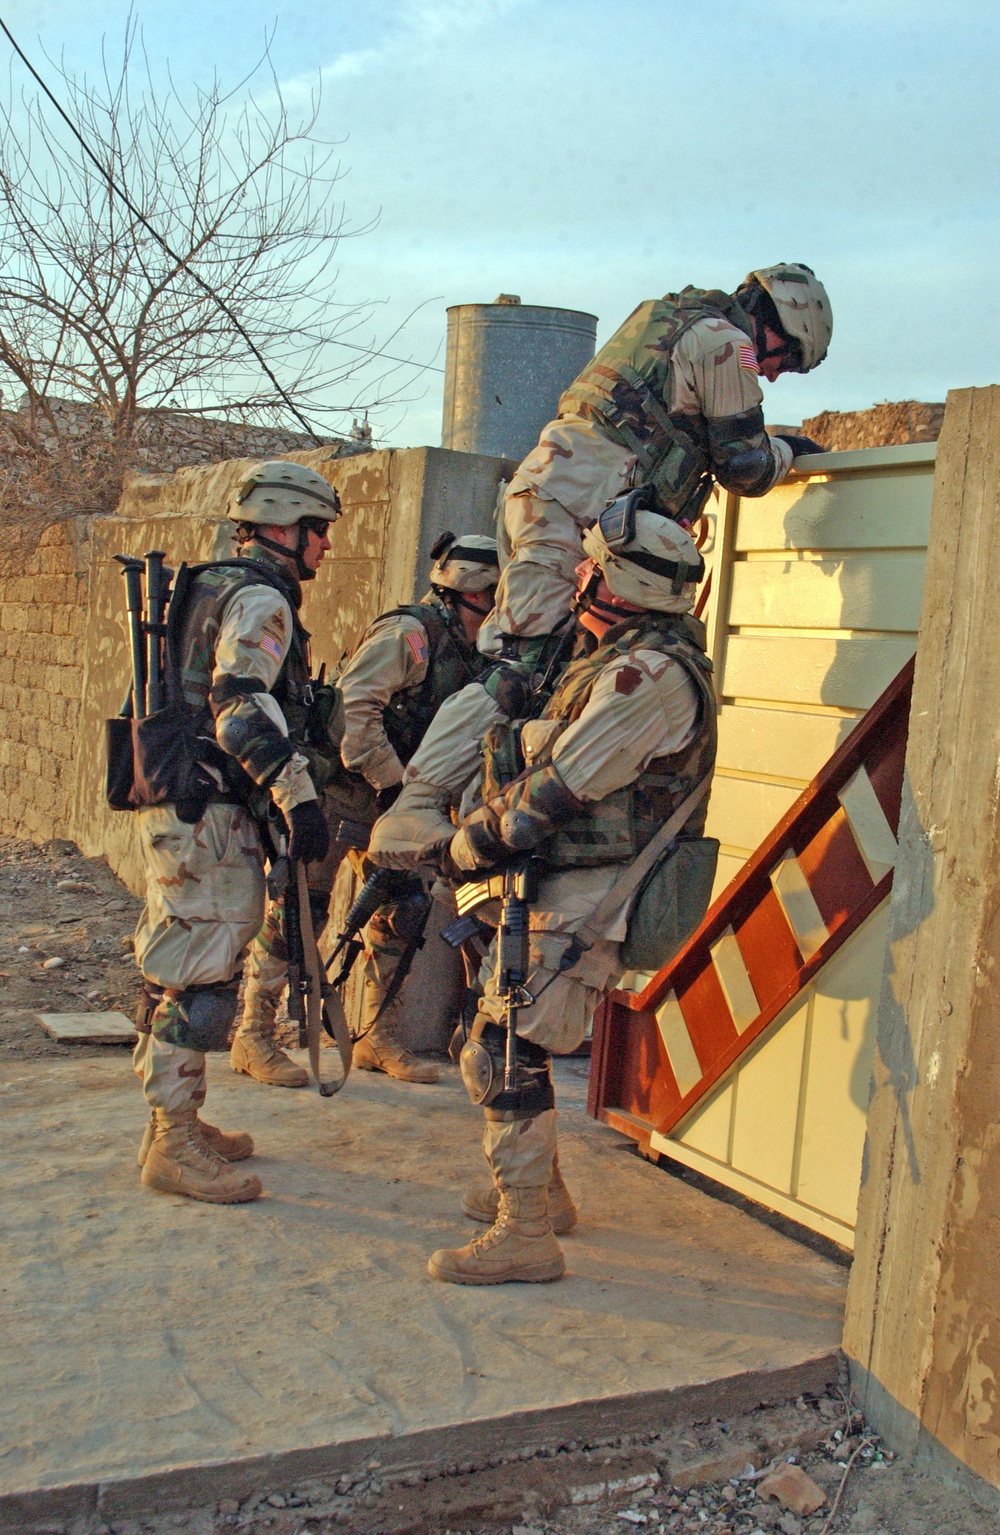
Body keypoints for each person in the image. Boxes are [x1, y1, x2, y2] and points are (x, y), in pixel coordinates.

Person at [405, 509, 719, 1284]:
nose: (579, 575)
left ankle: (526, 1232)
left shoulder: (648, 676)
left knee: (507, 1051)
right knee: (507, 1039)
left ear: (621, 581)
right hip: (558, 886)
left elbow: (562, 784)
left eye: (592, 566)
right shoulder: (606, 657)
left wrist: (461, 845)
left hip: (592, 898)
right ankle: (543, 1193)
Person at [132, 460, 339, 1203]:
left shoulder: (216, 583)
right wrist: (297, 795)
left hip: (188, 805)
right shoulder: (260, 598)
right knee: (203, 982)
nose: (324, 549)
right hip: (211, 812)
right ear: (286, 525)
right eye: (319, 532)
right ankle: (174, 1142)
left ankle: (175, 1123)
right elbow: (239, 702)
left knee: (184, 969)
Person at [230, 531, 500, 1088]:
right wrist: (398, 785)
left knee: (401, 914)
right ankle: (252, 1035)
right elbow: (354, 711)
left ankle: (378, 1034)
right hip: (338, 793)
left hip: (394, 804)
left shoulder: (474, 649)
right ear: (473, 593)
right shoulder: (410, 635)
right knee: (298, 913)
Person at [477, 263, 832, 659]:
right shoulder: (724, 343)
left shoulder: (663, 317)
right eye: (786, 360)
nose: (775, 375)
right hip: (574, 512)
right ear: (776, 322)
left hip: (544, 494)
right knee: (528, 666)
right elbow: (745, 468)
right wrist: (790, 449)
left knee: (519, 653)